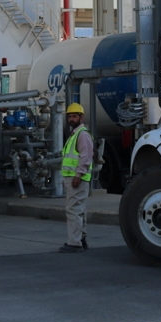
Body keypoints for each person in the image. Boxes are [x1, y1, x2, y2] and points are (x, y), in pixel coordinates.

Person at [58, 102, 94, 253]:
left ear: (81, 117)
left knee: (73, 210)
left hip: (76, 178)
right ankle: (81, 238)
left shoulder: (82, 135)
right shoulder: (75, 134)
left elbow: (85, 158)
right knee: (79, 209)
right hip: (73, 177)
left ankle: (74, 242)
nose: (71, 119)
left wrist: (78, 175)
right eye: (69, 117)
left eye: (74, 116)